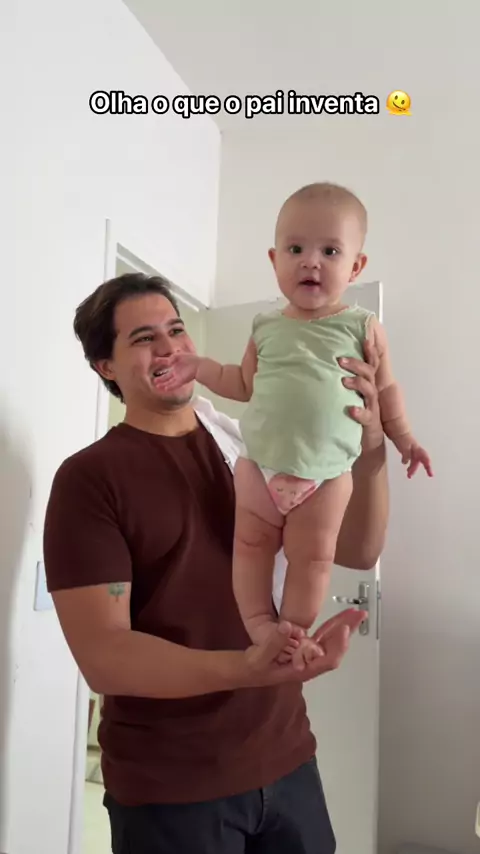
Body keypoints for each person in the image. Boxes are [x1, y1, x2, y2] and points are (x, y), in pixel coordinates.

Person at [43, 270, 388, 854]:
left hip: (287, 760)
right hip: (172, 787)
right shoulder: (90, 479)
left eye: (176, 330)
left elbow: (357, 549)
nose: (169, 347)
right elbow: (106, 657)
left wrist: (372, 447)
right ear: (106, 366)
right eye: (143, 338)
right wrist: (247, 668)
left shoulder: (249, 443)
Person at [156, 182, 432, 668]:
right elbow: (241, 383)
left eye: (330, 251)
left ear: (357, 267)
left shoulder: (361, 326)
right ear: (274, 259)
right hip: (259, 466)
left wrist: (404, 437)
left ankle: (294, 630)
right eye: (296, 249)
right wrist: (199, 367)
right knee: (250, 546)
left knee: (314, 558)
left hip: (325, 476)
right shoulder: (265, 327)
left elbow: (386, 389)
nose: (311, 262)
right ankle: (260, 626)